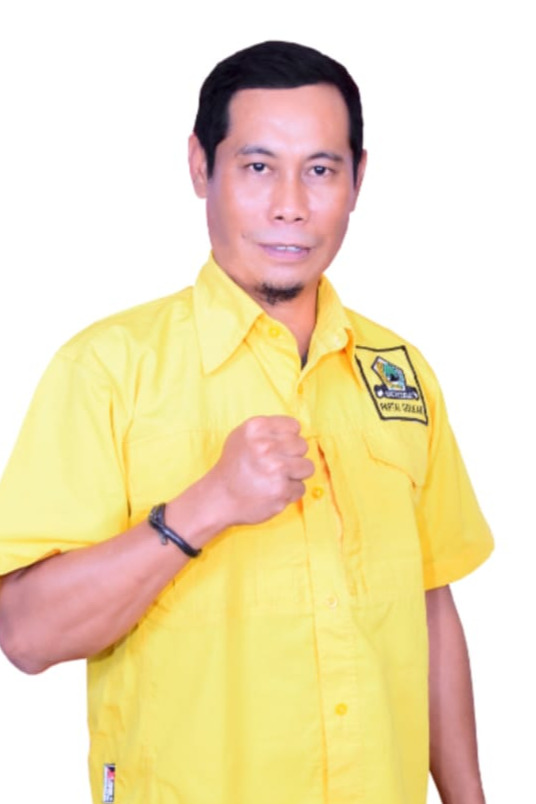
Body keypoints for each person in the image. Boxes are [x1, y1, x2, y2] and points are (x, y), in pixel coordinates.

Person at [0, 40, 493, 804]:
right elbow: (26, 634)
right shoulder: (107, 369)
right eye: (258, 166)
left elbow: (428, 607)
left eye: (321, 170)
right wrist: (206, 505)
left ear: (358, 178)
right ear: (201, 167)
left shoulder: (398, 371)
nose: (290, 204)